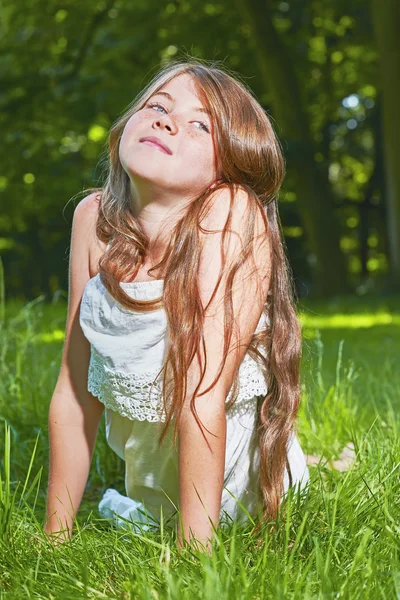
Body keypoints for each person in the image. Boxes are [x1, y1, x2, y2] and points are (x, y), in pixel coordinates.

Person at [44, 58, 310, 550]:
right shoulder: (92, 219)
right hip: (154, 493)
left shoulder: (228, 213)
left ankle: (309, 465)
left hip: (230, 492)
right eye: (157, 106)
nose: (167, 120)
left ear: (226, 166)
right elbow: (74, 392)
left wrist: (195, 557)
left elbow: (202, 395)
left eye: (199, 124)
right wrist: (52, 539)